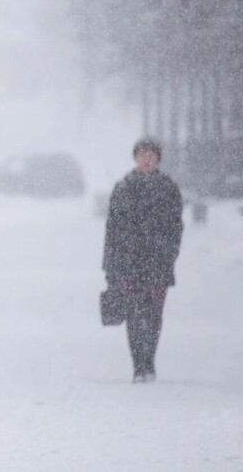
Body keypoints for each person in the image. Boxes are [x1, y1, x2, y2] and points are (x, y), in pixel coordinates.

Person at [102, 138, 184, 383]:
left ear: (158, 158)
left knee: (154, 314)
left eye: (151, 155)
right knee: (135, 314)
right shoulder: (123, 188)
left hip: (158, 264)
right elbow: (112, 230)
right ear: (135, 158)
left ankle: (149, 360)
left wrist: (169, 253)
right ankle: (139, 364)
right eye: (142, 154)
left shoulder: (168, 188)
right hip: (130, 263)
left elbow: (175, 227)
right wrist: (110, 264)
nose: (147, 159)